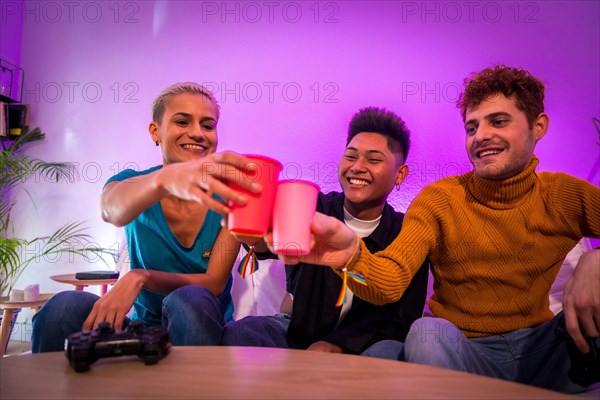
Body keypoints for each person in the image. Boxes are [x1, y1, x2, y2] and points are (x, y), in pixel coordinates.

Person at [271, 66, 600, 393]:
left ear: (538, 126)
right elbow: (390, 281)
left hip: (546, 349)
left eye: (498, 121)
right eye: (472, 127)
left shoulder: (564, 194)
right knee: (425, 332)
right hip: (465, 355)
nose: (481, 135)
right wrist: (353, 255)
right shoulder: (439, 200)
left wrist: (593, 261)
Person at [32, 82, 261, 351]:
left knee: (191, 298)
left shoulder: (230, 194)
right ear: (156, 131)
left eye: (208, 125)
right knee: (63, 306)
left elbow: (213, 285)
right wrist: (163, 180)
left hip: (202, 327)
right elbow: (112, 210)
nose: (198, 133)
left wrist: (139, 277)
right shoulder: (132, 182)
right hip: (142, 331)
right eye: (182, 121)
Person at [192, 107, 430, 354]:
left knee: (387, 354)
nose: (357, 167)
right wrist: (253, 235)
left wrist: (336, 345)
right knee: (238, 334)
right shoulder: (312, 206)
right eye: (350, 156)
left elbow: (399, 320)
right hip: (296, 332)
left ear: (400, 174)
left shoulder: (407, 233)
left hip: (367, 345)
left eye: (373, 159)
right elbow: (270, 245)